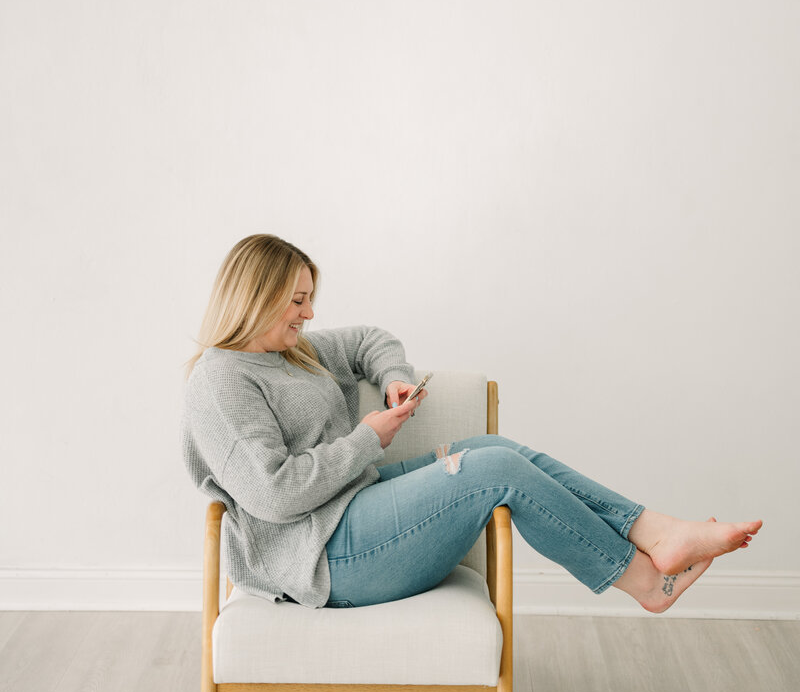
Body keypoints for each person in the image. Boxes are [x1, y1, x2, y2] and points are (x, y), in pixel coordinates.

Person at [181, 234, 762, 613]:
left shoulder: (289, 351)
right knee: (496, 472)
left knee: (494, 448)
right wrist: (367, 439)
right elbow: (275, 494)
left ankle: (654, 531)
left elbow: (368, 340)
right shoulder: (220, 382)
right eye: (297, 301)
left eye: (310, 299)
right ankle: (645, 580)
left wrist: (391, 377)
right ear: (256, 298)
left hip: (354, 510)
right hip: (326, 557)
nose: (310, 313)